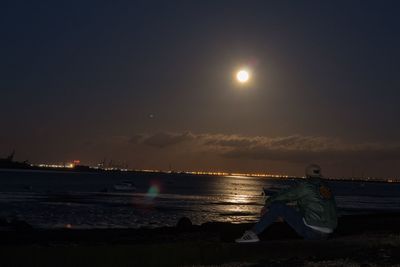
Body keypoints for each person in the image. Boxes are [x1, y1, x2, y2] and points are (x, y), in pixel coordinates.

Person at [236, 164, 337, 243]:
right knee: (289, 211)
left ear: (307, 175)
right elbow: (313, 208)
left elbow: (285, 195)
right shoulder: (326, 188)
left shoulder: (306, 186)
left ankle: (252, 234)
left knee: (278, 207)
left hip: (312, 233)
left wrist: (267, 204)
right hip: (327, 233)